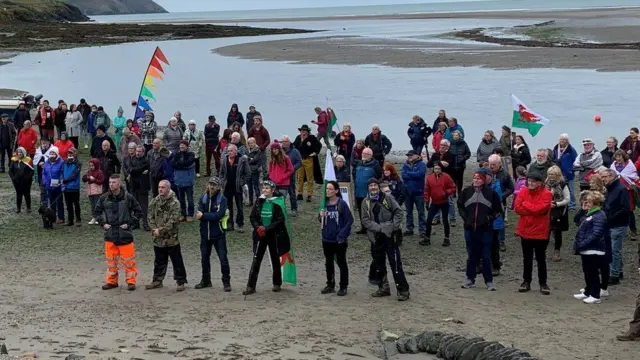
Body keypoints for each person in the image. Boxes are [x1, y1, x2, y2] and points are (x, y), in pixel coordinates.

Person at [361, 178, 410, 301]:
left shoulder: (388, 198)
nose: (373, 187)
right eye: (370, 185)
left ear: (378, 186)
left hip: (390, 237)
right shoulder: (365, 202)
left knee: (395, 264)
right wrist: (380, 228)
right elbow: (365, 221)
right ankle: (384, 288)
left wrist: (392, 227)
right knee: (379, 264)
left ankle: (403, 290)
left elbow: (399, 212)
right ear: (368, 188)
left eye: (374, 185)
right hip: (376, 238)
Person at [93, 175, 143, 291]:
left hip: (124, 234)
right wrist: (103, 223)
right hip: (110, 234)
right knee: (111, 262)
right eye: (110, 182)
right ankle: (111, 282)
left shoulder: (128, 197)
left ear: (119, 183)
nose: (111, 184)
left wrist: (130, 223)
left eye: (114, 182)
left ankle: (131, 282)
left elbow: (139, 211)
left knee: (129, 261)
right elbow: (96, 212)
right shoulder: (104, 198)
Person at [244, 180, 291, 295]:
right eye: (263, 188)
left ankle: (277, 283)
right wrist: (258, 227)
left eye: (267, 188)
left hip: (273, 234)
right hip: (260, 235)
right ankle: (251, 286)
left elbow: (280, 220)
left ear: (273, 190)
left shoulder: (278, 202)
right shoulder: (259, 201)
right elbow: (252, 217)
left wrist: (267, 228)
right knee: (256, 259)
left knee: (275, 259)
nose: (264, 190)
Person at [458, 168, 502, 290]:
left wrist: (489, 219)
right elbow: (460, 206)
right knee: (471, 255)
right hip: (469, 228)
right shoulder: (466, 191)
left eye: (479, 178)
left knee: (486, 256)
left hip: (486, 229)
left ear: (484, 180)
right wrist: (466, 219)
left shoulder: (491, 194)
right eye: (475, 178)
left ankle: (488, 281)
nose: (476, 180)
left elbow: (498, 210)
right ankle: (470, 279)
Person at [514, 172, 553, 295]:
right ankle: (526, 281)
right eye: (529, 181)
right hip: (525, 230)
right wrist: (532, 208)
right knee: (527, 258)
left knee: (541, 258)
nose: (530, 183)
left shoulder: (546, 194)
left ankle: (543, 282)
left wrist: (526, 204)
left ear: (540, 183)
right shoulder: (523, 191)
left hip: (540, 231)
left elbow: (539, 209)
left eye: (533, 181)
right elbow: (517, 208)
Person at [146, 180, 188, 292]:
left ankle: (181, 281)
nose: (160, 189)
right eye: (159, 187)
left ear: (168, 189)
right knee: (159, 260)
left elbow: (173, 221)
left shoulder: (175, 203)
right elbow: (150, 215)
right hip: (157, 238)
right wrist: (154, 228)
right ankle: (157, 280)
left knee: (176, 260)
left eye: (163, 187)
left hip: (171, 237)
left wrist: (161, 230)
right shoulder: (155, 201)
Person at [570, 190, 608, 304]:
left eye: (589, 202)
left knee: (592, 272)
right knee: (587, 271)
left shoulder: (599, 215)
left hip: (594, 249)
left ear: (596, 203)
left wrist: (583, 243)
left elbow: (596, 233)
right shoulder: (589, 213)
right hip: (587, 249)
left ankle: (595, 295)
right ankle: (588, 291)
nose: (586, 203)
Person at [195, 177, 231, 291]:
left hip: (219, 234)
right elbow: (198, 214)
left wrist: (204, 216)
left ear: (218, 187)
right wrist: (206, 216)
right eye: (210, 184)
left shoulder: (223, 200)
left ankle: (226, 282)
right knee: (204, 259)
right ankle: (206, 281)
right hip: (205, 234)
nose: (212, 186)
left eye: (214, 185)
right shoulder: (203, 198)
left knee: (223, 259)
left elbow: (218, 215)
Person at [318, 180, 353, 296]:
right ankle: (330, 284)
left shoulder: (341, 204)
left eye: (330, 189)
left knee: (342, 262)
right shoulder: (324, 203)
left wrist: (342, 235)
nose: (328, 191)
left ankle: (343, 286)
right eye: (327, 189)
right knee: (328, 262)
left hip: (339, 239)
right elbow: (321, 220)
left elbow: (349, 220)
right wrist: (320, 216)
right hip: (327, 238)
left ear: (336, 191)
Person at [600, 168, 630, 286]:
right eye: (602, 177)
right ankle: (618, 271)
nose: (603, 179)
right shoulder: (610, 189)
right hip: (611, 224)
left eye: (605, 177)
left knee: (614, 250)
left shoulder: (621, 189)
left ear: (612, 176)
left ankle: (614, 275)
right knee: (614, 249)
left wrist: (610, 217)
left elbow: (625, 208)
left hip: (618, 224)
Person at [423, 162, 456, 246]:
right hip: (434, 202)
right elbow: (427, 190)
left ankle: (446, 238)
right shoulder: (429, 178)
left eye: (439, 169)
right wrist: (426, 201)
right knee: (429, 220)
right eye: (435, 169)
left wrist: (446, 193)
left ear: (441, 169)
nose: (437, 170)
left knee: (445, 221)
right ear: (433, 169)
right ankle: (427, 238)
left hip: (444, 202)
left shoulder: (446, 177)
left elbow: (453, 187)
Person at [219, 144, 251, 232]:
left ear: (236, 151)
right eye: (228, 151)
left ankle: (240, 224)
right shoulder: (224, 160)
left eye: (231, 151)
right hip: (227, 187)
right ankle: (230, 224)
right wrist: (222, 181)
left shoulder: (242, 159)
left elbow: (248, 173)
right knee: (228, 207)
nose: (229, 152)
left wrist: (242, 182)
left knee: (240, 207)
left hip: (238, 188)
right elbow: (221, 173)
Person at [353, 148, 382, 234]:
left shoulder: (375, 165)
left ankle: (372, 227)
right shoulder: (358, 163)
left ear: (371, 156)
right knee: (361, 210)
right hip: (358, 192)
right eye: (363, 153)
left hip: (369, 193)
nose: (364, 155)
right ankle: (363, 227)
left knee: (371, 211)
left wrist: (375, 186)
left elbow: (380, 177)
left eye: (366, 154)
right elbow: (354, 174)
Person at [612, 150, 638, 242]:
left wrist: (629, 186)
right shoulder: (613, 166)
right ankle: (620, 231)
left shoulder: (630, 166)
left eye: (620, 156)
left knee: (629, 212)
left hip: (628, 192)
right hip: (617, 192)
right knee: (618, 211)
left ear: (624, 157)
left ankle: (633, 230)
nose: (618, 158)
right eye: (616, 156)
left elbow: (635, 178)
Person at [546, 166, 570, 262]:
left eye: (552, 174)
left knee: (557, 232)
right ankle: (542, 250)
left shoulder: (563, 185)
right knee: (545, 231)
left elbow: (567, 199)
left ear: (557, 175)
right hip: (547, 210)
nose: (550, 176)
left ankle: (557, 251)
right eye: (549, 174)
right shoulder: (545, 184)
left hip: (559, 211)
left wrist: (557, 204)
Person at [401, 150, 426, 237]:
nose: (409, 156)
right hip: (407, 192)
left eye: (411, 155)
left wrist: (409, 174)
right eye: (408, 155)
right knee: (408, 212)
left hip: (419, 192)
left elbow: (420, 174)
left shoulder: (422, 165)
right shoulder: (405, 164)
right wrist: (414, 174)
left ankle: (422, 230)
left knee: (421, 212)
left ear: (417, 155)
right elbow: (403, 175)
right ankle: (409, 229)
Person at [293, 124, 321, 202]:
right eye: (302, 131)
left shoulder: (311, 138)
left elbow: (319, 145)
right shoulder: (298, 138)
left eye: (304, 131)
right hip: (300, 160)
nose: (303, 132)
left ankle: (309, 195)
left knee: (310, 178)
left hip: (309, 159)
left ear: (308, 132)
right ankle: (299, 193)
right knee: (300, 178)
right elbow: (294, 146)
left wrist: (315, 152)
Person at [172, 140, 196, 222]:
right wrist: (182, 164)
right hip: (179, 181)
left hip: (188, 181)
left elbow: (189, 163)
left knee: (190, 199)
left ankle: (190, 214)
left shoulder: (191, 154)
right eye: (181, 145)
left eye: (183, 145)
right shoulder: (176, 154)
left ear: (187, 146)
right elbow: (173, 164)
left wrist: (179, 165)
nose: (181, 147)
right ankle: (183, 214)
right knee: (180, 199)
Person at [552, 133, 579, 210]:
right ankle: (562, 203)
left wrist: (571, 170)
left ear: (567, 140)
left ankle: (572, 205)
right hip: (558, 173)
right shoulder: (556, 148)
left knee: (571, 190)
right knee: (559, 189)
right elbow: (553, 158)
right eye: (561, 139)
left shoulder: (571, 149)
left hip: (568, 173)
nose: (562, 141)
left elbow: (576, 160)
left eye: (564, 139)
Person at [129, 146, 151, 231]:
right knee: (135, 205)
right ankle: (136, 223)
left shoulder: (146, 160)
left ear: (143, 152)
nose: (137, 153)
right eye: (137, 151)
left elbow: (135, 170)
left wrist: (135, 171)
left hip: (143, 187)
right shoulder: (133, 159)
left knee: (143, 206)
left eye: (139, 151)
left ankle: (145, 224)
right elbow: (131, 170)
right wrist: (139, 171)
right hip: (134, 186)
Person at [42, 146, 65, 225]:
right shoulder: (47, 162)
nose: (52, 154)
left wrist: (61, 183)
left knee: (59, 202)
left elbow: (62, 174)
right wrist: (45, 181)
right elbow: (44, 173)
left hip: (57, 185)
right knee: (51, 202)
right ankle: (53, 217)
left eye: (53, 153)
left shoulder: (61, 162)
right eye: (51, 153)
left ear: (57, 154)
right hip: (49, 185)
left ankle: (61, 217)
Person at [9, 147, 34, 213]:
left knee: (27, 194)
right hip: (17, 182)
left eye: (21, 152)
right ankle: (18, 208)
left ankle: (28, 208)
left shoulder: (28, 160)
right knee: (18, 194)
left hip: (27, 182)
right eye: (18, 152)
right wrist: (13, 178)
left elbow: (32, 171)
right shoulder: (14, 160)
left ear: (23, 153)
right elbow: (10, 171)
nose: (19, 154)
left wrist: (28, 178)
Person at [281, 135, 302, 216]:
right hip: (281, 176)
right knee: (280, 194)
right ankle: (281, 210)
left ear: (289, 142)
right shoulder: (279, 151)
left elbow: (299, 162)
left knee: (292, 193)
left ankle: (294, 209)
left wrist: (292, 169)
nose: (284, 143)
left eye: (285, 141)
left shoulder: (295, 151)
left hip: (290, 176)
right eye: (282, 142)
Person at [61, 148, 82, 226]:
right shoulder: (65, 162)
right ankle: (70, 220)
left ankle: (78, 219)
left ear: (75, 154)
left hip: (74, 187)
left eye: (71, 153)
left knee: (76, 204)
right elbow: (62, 172)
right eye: (69, 153)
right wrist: (62, 180)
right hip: (66, 187)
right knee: (68, 204)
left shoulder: (78, 163)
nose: (69, 154)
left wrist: (65, 180)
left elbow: (74, 175)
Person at [83, 159, 104, 225]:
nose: (91, 167)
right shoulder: (89, 171)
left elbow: (101, 181)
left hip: (97, 192)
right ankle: (94, 217)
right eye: (90, 165)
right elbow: (84, 179)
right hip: (90, 191)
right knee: (92, 205)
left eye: (92, 165)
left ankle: (98, 217)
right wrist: (86, 177)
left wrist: (94, 179)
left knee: (97, 205)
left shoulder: (99, 172)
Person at [246, 137, 264, 204]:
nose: (251, 144)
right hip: (248, 171)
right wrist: (250, 159)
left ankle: (258, 200)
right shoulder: (246, 150)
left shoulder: (258, 150)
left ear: (255, 142)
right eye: (249, 143)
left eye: (252, 142)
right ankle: (250, 200)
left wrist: (249, 159)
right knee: (249, 187)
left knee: (256, 186)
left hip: (255, 171)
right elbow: (245, 158)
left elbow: (255, 159)